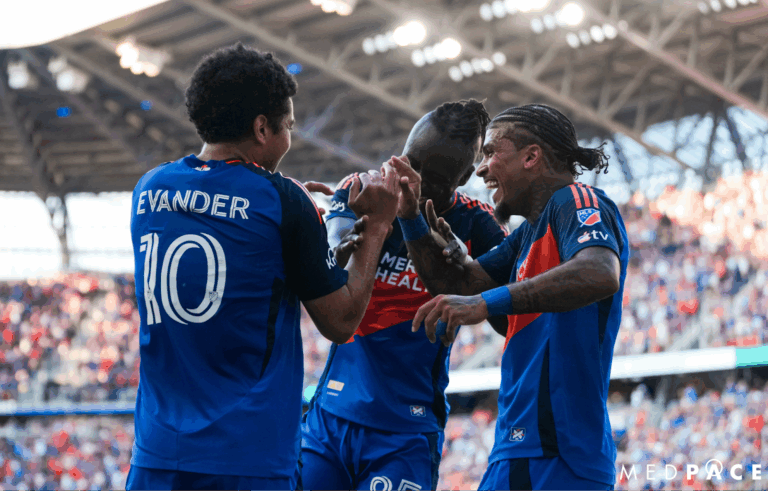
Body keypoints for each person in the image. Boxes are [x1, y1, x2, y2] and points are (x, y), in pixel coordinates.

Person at [126, 43, 400, 491]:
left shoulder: (148, 190)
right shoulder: (282, 198)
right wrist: (378, 228)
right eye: (287, 126)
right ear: (261, 128)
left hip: (157, 456)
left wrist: (321, 244)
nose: (290, 139)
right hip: (247, 459)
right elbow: (341, 320)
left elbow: (245, 263)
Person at [401, 104, 628, 490]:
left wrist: (487, 303)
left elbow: (599, 272)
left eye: (490, 153)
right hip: (517, 447)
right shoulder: (526, 236)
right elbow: (461, 287)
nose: (480, 169)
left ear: (531, 157)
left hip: (560, 452)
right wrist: (409, 217)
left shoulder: (576, 200)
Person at [301, 100, 509, 491]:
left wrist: (462, 267)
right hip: (330, 418)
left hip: (405, 431)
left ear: (463, 177)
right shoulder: (363, 190)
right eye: (409, 161)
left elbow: (503, 309)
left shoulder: (477, 224)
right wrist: (334, 234)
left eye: (429, 179)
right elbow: (332, 254)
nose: (409, 180)